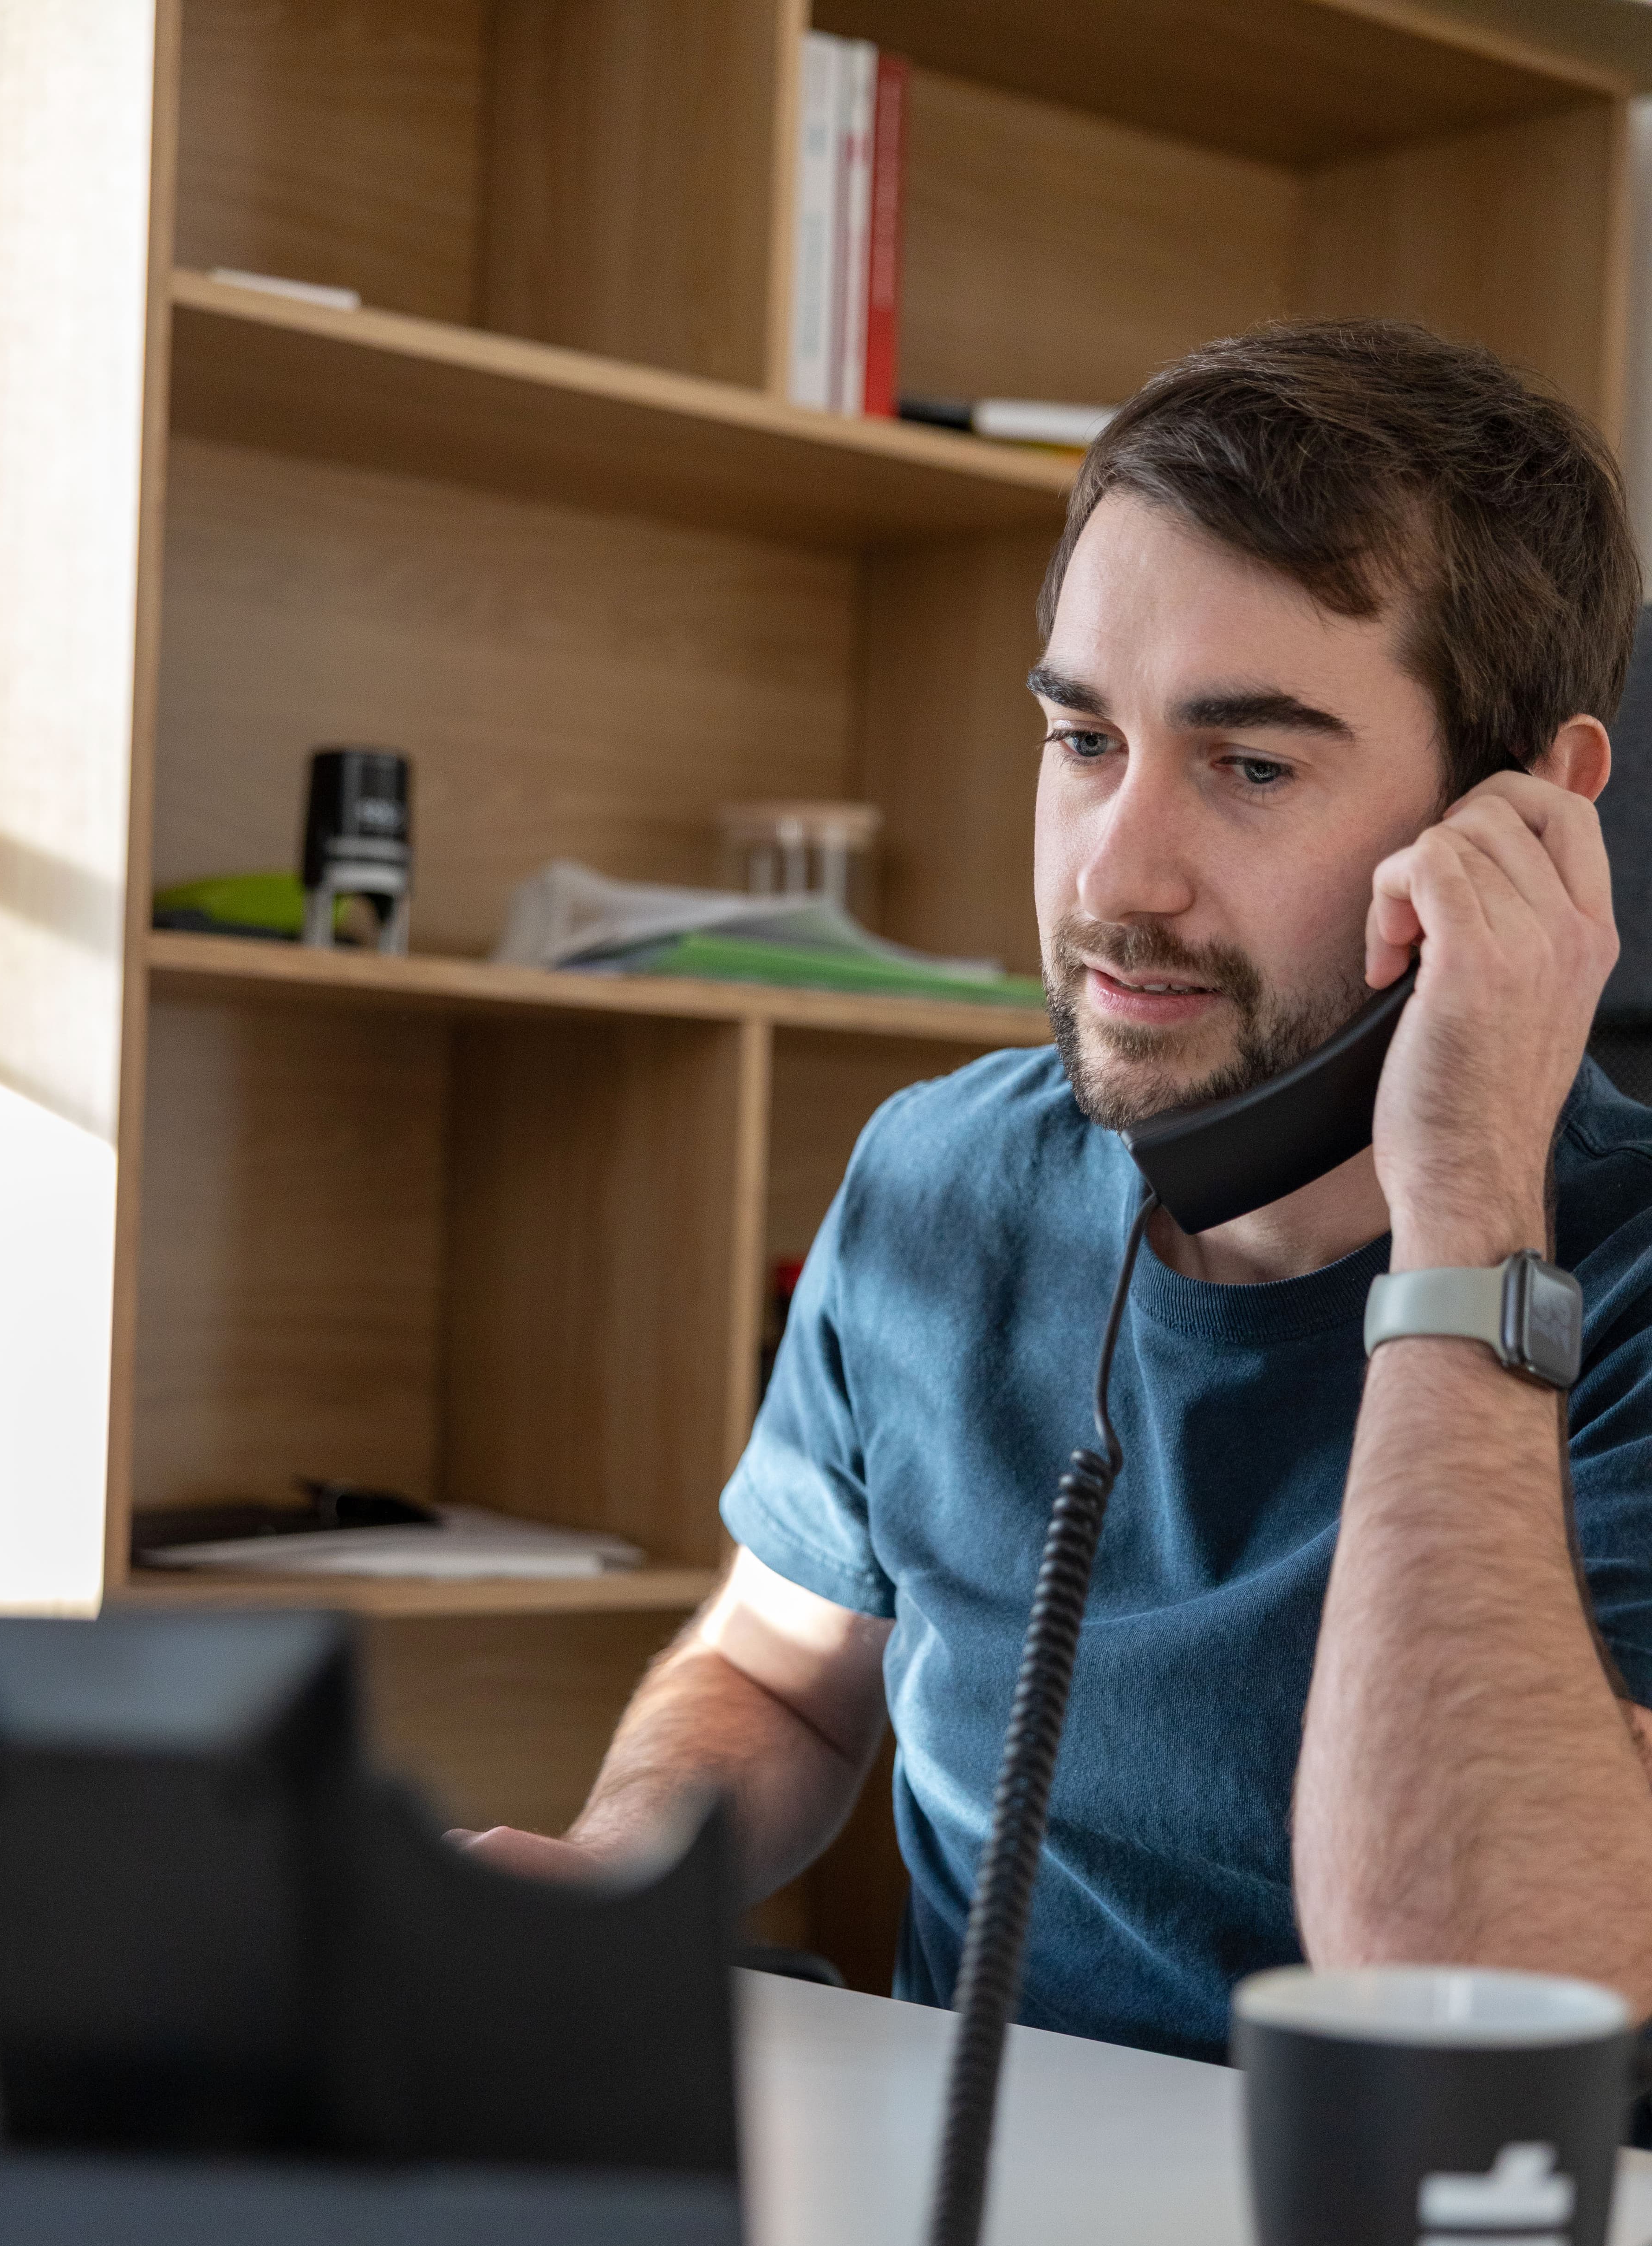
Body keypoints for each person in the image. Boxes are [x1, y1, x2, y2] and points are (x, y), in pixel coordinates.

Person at [467, 319, 1652, 2062]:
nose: (1117, 871)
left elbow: (1477, 1975)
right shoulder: (938, 1181)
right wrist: (615, 1879)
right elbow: (775, 1678)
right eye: (1086, 739)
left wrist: (1472, 1207)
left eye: (1252, 765)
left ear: (1526, 814)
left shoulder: (1609, 1277)